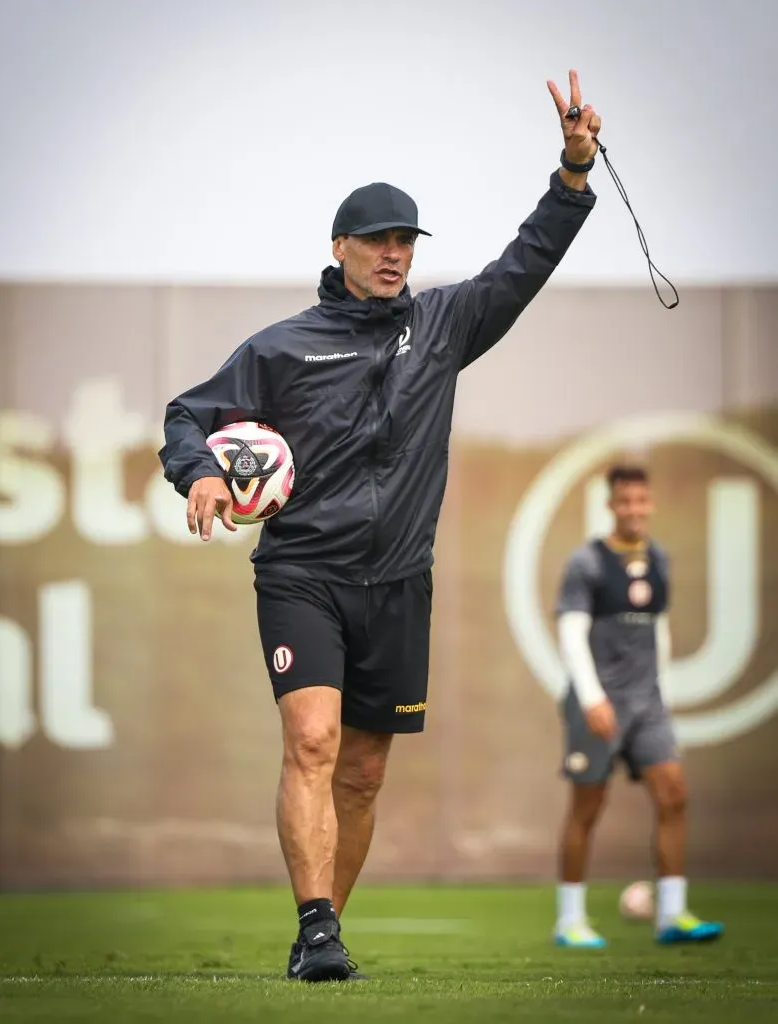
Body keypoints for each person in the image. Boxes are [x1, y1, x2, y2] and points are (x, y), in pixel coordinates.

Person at [160, 70, 599, 982]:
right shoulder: (281, 347)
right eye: (377, 240)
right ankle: (318, 926)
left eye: (404, 240)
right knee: (312, 744)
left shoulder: (440, 327)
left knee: (362, 775)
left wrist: (570, 178)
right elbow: (186, 416)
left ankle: (318, 933)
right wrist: (198, 475)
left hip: (399, 582)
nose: (394, 254)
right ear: (341, 246)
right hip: (302, 578)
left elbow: (523, 265)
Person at [553, 464, 725, 948]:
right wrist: (591, 698)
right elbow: (570, 633)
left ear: (650, 504)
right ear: (611, 505)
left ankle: (672, 915)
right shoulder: (586, 562)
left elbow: (658, 630)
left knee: (674, 795)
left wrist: (662, 697)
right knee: (587, 808)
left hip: (648, 703)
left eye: (641, 500)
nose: (634, 509)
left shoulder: (660, 559)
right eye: (624, 500)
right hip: (599, 704)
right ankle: (569, 920)